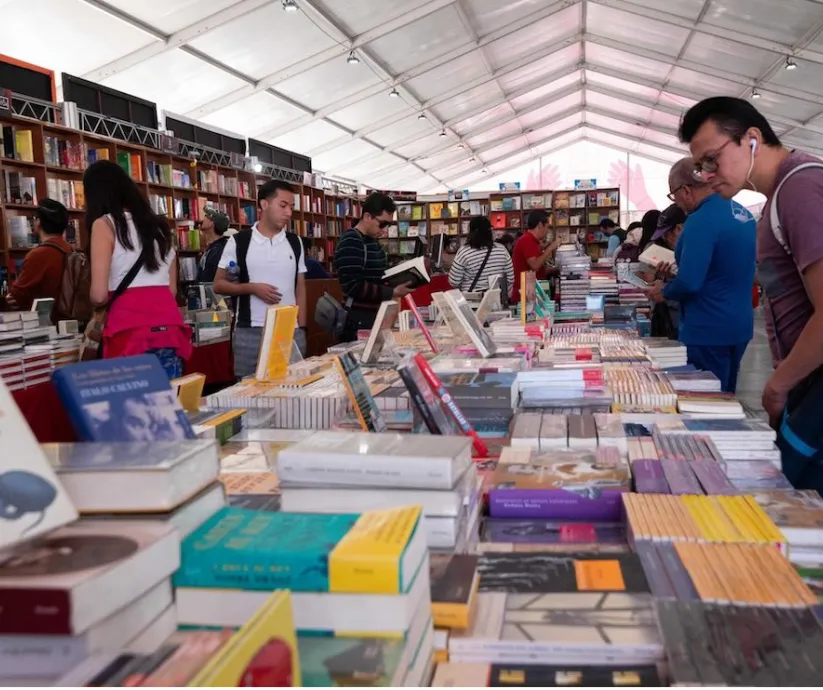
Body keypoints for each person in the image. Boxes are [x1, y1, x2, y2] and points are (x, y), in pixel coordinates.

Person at [679, 96, 823, 490]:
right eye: (700, 166)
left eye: (712, 160)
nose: (707, 175)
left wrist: (780, 384)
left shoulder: (799, 188)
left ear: (752, 139)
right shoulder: (777, 197)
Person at [645, 156, 756, 394]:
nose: (675, 201)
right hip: (739, 323)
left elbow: (690, 282)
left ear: (685, 190)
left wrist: (663, 291)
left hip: (708, 327)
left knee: (706, 403)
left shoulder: (699, 221)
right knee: (726, 396)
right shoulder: (743, 215)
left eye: (673, 195)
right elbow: (723, 268)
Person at [86, 160, 192, 379]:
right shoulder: (161, 228)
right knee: (166, 404)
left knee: (132, 409)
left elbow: (98, 295)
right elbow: (171, 291)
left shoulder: (104, 225)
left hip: (128, 332)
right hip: (169, 329)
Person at [213, 180, 307, 378]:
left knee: (294, 390)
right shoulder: (239, 241)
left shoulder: (295, 242)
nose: (289, 213)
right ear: (264, 204)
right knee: (247, 392)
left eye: (292, 207)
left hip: (289, 330)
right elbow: (218, 284)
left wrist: (302, 328)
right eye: (283, 206)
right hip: (250, 330)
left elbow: (300, 287)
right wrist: (252, 288)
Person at [334, 192, 411, 342]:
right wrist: (392, 291)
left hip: (373, 316)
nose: (385, 229)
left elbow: (377, 275)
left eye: (388, 225)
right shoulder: (351, 240)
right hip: (358, 320)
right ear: (367, 216)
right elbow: (353, 286)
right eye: (382, 223)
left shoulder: (371, 240)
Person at [6, 199, 72, 314]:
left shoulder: (38, 255)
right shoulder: (71, 250)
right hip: (71, 318)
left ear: (39, 223)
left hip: (45, 322)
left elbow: (16, 295)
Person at [648, 204, 686, 340]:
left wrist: (665, 291)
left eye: (666, 234)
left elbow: (693, 288)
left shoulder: (694, 253)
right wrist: (669, 276)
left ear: (678, 229)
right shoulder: (681, 253)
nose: (664, 239)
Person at [448, 217, 514, 292]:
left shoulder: (464, 252)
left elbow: (453, 282)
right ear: (490, 231)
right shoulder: (502, 250)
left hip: (471, 300)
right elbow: (510, 279)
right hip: (496, 300)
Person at [511, 210, 560, 302]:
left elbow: (538, 270)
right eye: (547, 227)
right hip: (525, 297)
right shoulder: (527, 240)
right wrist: (549, 249)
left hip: (531, 293)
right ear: (540, 225)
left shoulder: (533, 241)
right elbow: (535, 266)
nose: (547, 230)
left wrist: (555, 269)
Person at [197, 208, 231, 283]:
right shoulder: (213, 248)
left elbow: (209, 278)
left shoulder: (218, 250)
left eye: (206, 216)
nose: (203, 218)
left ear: (211, 223)